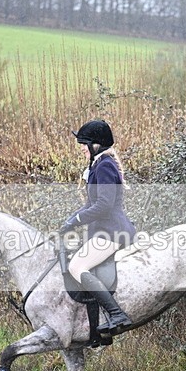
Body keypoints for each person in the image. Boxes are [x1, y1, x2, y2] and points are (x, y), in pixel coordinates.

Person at [59, 119, 136, 336]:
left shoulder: (105, 166)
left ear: (96, 145)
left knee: (76, 267)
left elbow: (103, 205)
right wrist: (70, 220)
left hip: (112, 231)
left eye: (84, 144)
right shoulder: (98, 166)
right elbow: (90, 205)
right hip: (103, 230)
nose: (82, 148)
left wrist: (75, 221)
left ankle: (117, 314)